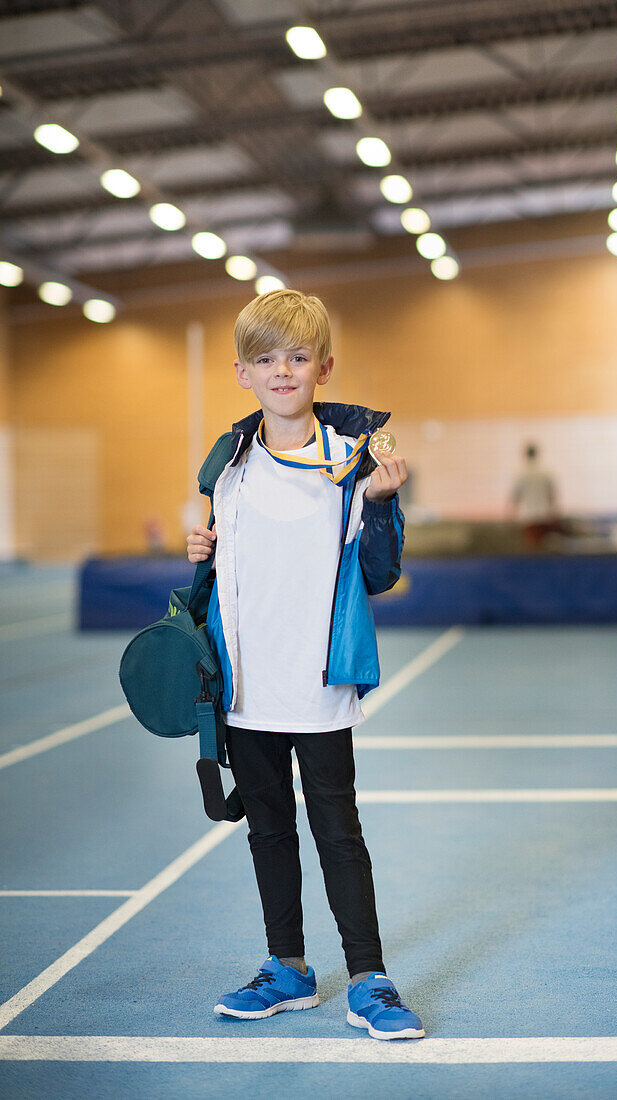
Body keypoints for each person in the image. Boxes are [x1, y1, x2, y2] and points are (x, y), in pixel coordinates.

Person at [186, 289, 424, 1041]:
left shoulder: (353, 462)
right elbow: (232, 563)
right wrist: (204, 555)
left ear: (323, 366)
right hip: (246, 689)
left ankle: (369, 979)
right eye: (265, 359)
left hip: (318, 689)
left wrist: (384, 506)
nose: (281, 370)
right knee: (267, 832)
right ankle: (286, 968)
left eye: (296, 357)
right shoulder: (229, 465)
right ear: (241, 373)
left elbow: (379, 574)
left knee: (338, 834)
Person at [509, 443, 559, 548]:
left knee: (532, 547)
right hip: (544, 515)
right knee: (544, 547)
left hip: (528, 516)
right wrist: (553, 513)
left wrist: (512, 515)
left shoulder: (521, 474)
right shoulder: (546, 473)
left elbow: (516, 497)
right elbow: (551, 495)